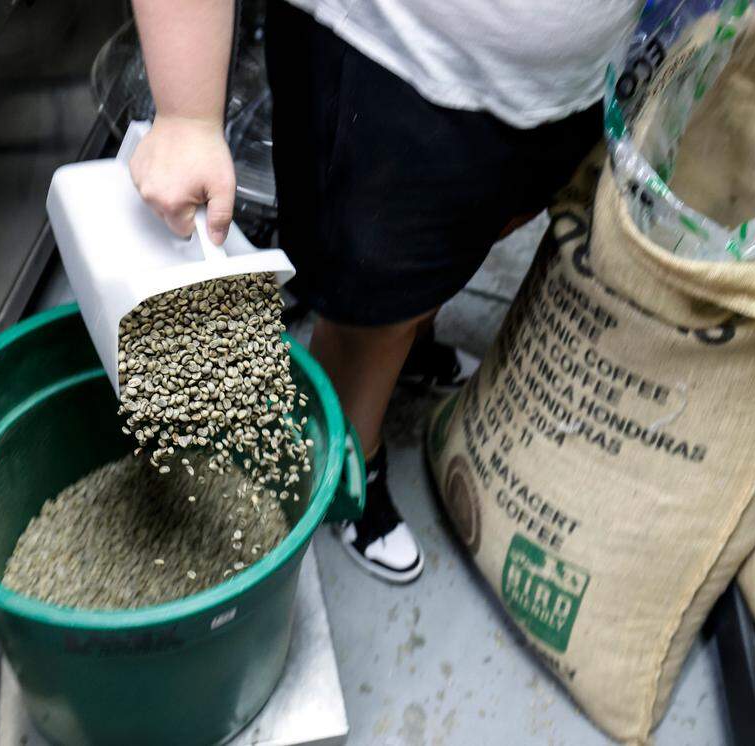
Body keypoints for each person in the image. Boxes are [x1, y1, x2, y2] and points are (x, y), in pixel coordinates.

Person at [129, 0, 635, 583]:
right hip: (396, 60)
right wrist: (188, 116)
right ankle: (347, 462)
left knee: (459, 240)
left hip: (568, 82)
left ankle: (411, 342)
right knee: (373, 306)